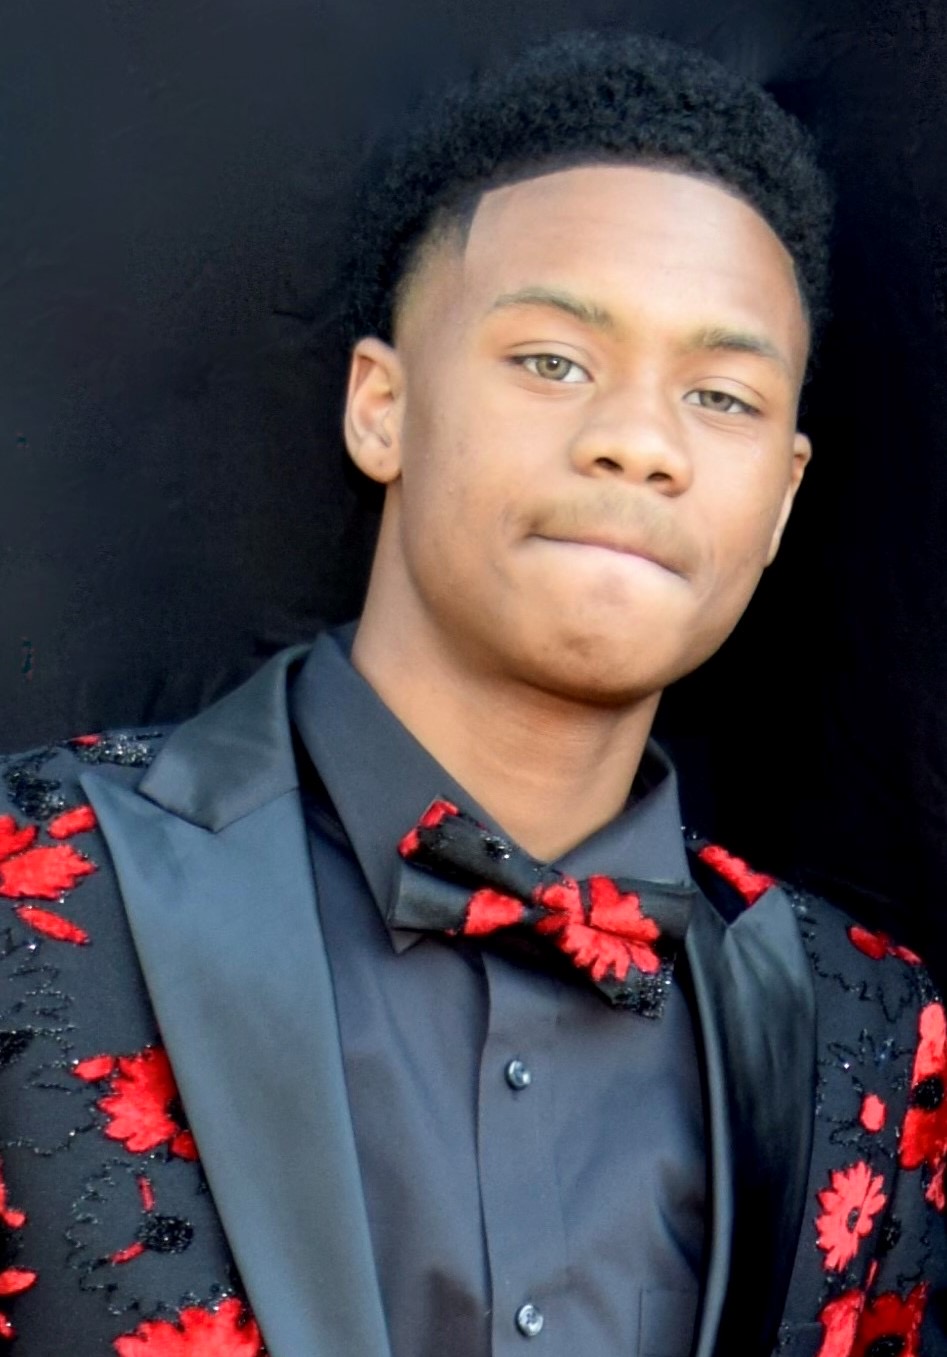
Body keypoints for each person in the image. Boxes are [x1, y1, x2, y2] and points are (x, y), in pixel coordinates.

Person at [0, 30, 944, 1357]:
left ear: (783, 497)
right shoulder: (28, 886)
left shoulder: (876, 1032)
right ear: (381, 406)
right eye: (553, 361)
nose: (641, 441)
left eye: (722, 395)